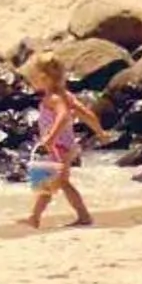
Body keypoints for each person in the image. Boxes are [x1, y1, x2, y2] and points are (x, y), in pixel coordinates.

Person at [22, 50, 100, 230]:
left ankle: (35, 217)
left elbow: (63, 116)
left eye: (33, 78)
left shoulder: (53, 98)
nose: (31, 83)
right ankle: (81, 216)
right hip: (67, 146)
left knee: (48, 183)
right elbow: (86, 113)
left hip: (57, 147)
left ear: (43, 78)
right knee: (58, 182)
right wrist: (99, 131)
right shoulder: (66, 95)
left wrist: (50, 138)